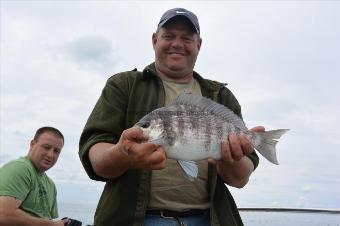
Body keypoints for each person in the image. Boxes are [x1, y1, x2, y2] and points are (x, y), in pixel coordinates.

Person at [79, 8, 264, 226]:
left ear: (199, 45)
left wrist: (231, 159)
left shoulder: (221, 96)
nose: (177, 43)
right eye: (168, 36)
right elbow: (95, 153)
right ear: (155, 40)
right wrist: (121, 154)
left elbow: (240, 179)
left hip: (209, 219)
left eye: (186, 38)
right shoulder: (123, 85)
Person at [0, 126, 81, 226]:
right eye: (46, 147)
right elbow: (4, 215)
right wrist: (52, 225)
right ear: (32, 144)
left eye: (56, 151)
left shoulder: (51, 185)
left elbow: (45, 219)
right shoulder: (19, 168)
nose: (50, 155)